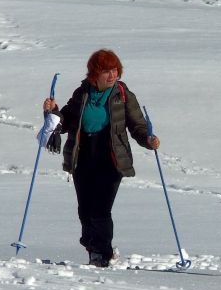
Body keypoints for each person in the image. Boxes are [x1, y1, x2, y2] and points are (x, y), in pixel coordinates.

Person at [42, 49, 159, 267]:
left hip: (112, 158)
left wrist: (148, 140)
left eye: (115, 70)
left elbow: (137, 125)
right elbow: (65, 122)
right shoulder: (82, 93)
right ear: (95, 73)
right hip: (83, 157)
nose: (112, 75)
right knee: (85, 209)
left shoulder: (123, 94)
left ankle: (102, 255)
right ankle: (93, 246)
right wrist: (53, 112)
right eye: (107, 71)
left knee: (100, 209)